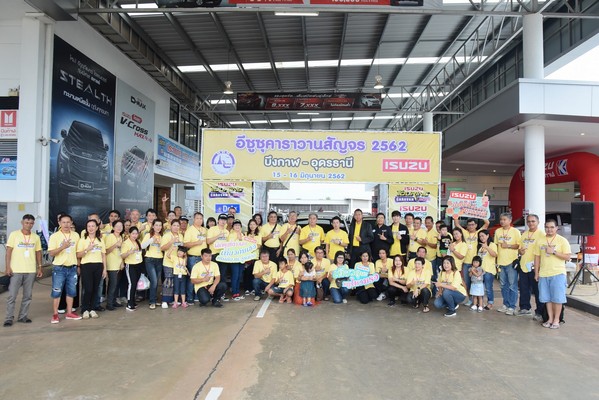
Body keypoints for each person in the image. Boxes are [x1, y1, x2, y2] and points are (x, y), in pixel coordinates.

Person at [4, 214, 43, 327]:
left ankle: (23, 316)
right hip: (16, 270)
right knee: (12, 295)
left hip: (30, 270)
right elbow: (8, 251)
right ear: (22, 223)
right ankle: (9, 318)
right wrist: (7, 267)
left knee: (27, 295)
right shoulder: (14, 235)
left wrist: (40, 267)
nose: (29, 225)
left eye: (31, 223)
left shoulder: (35, 237)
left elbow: (38, 252)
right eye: (27, 223)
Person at [534, 219, 571, 329]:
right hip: (544, 274)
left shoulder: (562, 240)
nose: (549, 229)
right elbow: (537, 257)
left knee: (557, 298)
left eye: (552, 227)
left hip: (558, 273)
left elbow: (567, 257)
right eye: (547, 227)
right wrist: (536, 273)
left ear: (556, 228)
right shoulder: (540, 240)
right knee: (547, 299)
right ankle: (549, 319)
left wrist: (554, 252)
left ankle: (556, 320)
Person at [48, 214, 82, 323]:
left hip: (72, 268)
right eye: (63, 222)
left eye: (68, 222)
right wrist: (63, 247)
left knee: (71, 292)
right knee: (57, 292)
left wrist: (78, 265)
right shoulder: (55, 236)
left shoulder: (76, 235)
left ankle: (69, 313)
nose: (66, 224)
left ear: (71, 223)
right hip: (59, 268)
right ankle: (55, 314)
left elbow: (77, 252)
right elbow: (51, 253)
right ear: (59, 223)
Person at [453, 214, 490, 306]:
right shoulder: (465, 232)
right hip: (466, 263)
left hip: (476, 264)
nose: (471, 226)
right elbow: (456, 223)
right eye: (469, 225)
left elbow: (487, 223)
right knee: (467, 282)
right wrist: (456, 211)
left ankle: (480, 301)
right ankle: (470, 299)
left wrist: (480, 212)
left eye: (473, 224)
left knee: (478, 282)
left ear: (476, 225)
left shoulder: (479, 232)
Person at [76, 220, 107, 319]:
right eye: (89, 226)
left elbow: (103, 255)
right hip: (86, 266)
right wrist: (87, 249)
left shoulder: (100, 240)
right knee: (88, 289)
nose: (91, 228)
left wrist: (104, 269)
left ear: (97, 228)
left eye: (93, 226)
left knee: (95, 288)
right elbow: (78, 255)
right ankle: (85, 309)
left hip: (98, 266)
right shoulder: (82, 240)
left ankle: (92, 309)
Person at [518, 214, 545, 320]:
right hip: (524, 265)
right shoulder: (524, 234)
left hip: (535, 266)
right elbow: (520, 249)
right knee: (524, 288)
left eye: (533, 221)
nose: (530, 223)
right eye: (529, 221)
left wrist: (539, 267)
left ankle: (540, 312)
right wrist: (520, 251)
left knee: (537, 290)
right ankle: (525, 308)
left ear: (538, 222)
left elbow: (542, 252)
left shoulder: (542, 235)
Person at [494, 213, 522, 316]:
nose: (502, 221)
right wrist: (496, 262)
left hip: (511, 262)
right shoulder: (498, 231)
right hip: (501, 262)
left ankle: (512, 306)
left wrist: (508, 246)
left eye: (504, 219)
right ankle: (505, 304)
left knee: (512, 285)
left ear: (510, 220)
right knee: (503, 285)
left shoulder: (515, 231)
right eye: (501, 219)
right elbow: (496, 246)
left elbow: (519, 245)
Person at [184, 212, 207, 303]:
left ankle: (198, 296)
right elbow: (185, 244)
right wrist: (196, 243)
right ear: (194, 219)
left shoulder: (204, 230)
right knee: (192, 278)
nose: (199, 220)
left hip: (203, 258)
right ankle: (190, 297)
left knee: (201, 277)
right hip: (193, 257)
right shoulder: (190, 230)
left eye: (201, 218)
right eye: (197, 218)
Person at [142, 220, 164, 309]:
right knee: (154, 281)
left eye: (160, 225)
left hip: (160, 259)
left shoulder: (162, 236)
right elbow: (142, 246)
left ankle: (154, 299)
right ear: (153, 226)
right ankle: (152, 301)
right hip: (150, 260)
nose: (158, 227)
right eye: (156, 225)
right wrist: (151, 240)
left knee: (157, 281)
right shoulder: (148, 235)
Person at [103, 220, 124, 311]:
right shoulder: (110, 237)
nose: (119, 228)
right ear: (113, 227)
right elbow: (106, 251)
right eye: (117, 226)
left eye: (121, 226)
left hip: (119, 263)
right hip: (111, 263)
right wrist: (115, 245)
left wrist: (122, 262)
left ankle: (114, 301)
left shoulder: (121, 237)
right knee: (113, 284)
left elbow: (121, 251)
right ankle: (109, 303)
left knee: (116, 284)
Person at [206, 214, 230, 294]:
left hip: (224, 256)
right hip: (214, 255)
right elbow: (208, 241)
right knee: (213, 275)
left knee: (223, 275)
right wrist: (218, 236)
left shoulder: (227, 232)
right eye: (221, 219)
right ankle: (211, 292)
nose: (223, 221)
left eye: (225, 220)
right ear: (218, 221)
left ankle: (221, 294)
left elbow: (229, 244)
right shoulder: (212, 229)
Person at [121, 226, 143, 311]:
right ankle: (129, 303)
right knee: (132, 284)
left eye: (136, 233)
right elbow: (122, 255)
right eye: (133, 233)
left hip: (138, 264)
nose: (135, 235)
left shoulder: (138, 241)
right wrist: (129, 252)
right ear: (129, 234)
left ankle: (133, 301)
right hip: (130, 265)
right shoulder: (126, 243)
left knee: (135, 283)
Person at [478, 230, 498, 310]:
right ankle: (481, 303)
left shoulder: (492, 245)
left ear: (487, 236)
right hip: (480, 271)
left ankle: (490, 303)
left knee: (488, 288)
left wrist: (487, 247)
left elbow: (494, 254)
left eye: (483, 235)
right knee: (480, 287)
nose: (481, 237)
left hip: (489, 270)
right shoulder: (480, 246)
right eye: (480, 236)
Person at [228, 219, 246, 300]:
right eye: (235, 225)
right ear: (233, 227)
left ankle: (237, 291)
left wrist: (241, 238)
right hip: (234, 258)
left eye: (238, 225)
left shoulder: (243, 234)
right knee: (235, 275)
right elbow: (231, 245)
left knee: (239, 275)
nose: (237, 227)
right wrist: (238, 239)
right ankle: (234, 292)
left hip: (241, 258)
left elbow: (245, 245)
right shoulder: (231, 235)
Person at [243, 219, 262, 295]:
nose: (252, 226)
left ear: (256, 225)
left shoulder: (258, 234)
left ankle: (253, 288)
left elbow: (259, 245)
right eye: (250, 224)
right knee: (247, 273)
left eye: (254, 224)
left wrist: (251, 246)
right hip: (247, 256)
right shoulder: (245, 234)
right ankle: (247, 288)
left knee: (254, 273)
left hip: (255, 256)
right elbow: (243, 244)